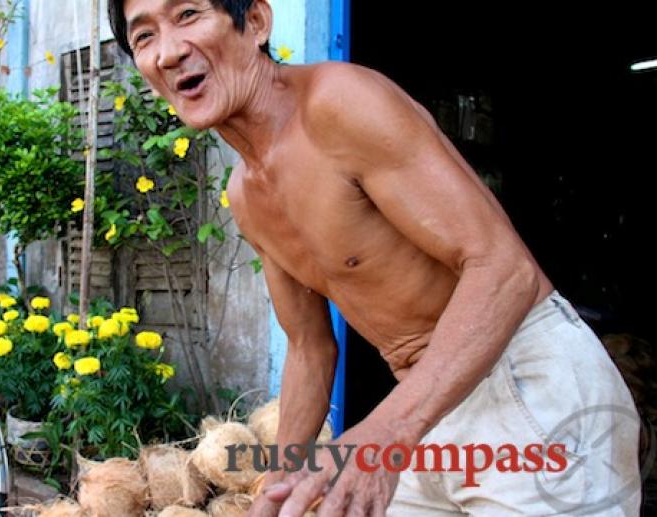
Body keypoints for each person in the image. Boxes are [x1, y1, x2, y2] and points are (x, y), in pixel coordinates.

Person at [108, 1, 642, 515]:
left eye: (187, 15)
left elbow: (505, 270)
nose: (169, 51)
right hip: (424, 407)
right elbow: (308, 346)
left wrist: (386, 432)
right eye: (144, 36)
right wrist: (277, 484)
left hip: (525, 383)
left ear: (255, 21)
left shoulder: (337, 102)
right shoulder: (246, 194)